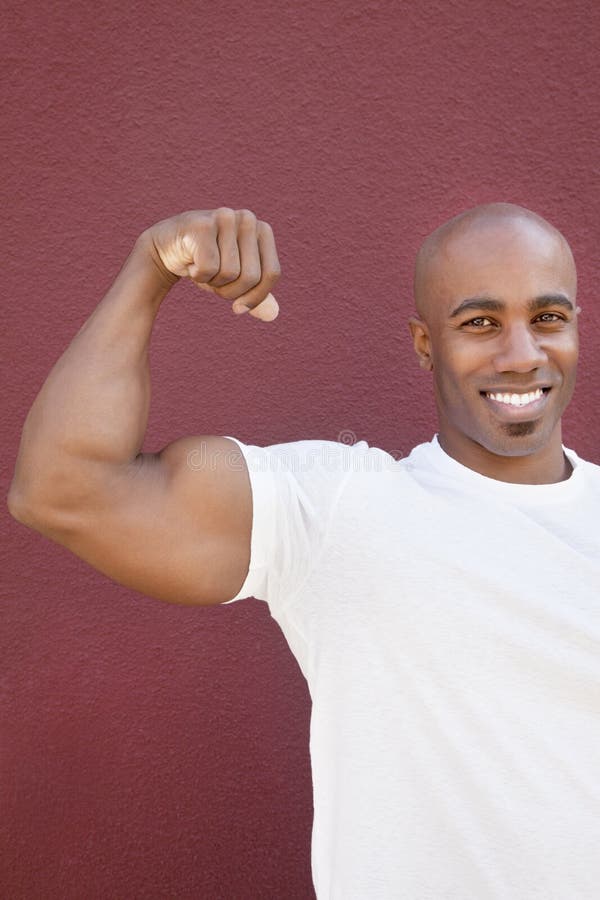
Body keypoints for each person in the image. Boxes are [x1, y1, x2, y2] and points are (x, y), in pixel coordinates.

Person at [8, 203, 600, 899]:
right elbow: (62, 490)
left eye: (548, 319)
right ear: (423, 343)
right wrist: (150, 270)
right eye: (480, 323)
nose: (523, 353)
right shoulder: (342, 510)